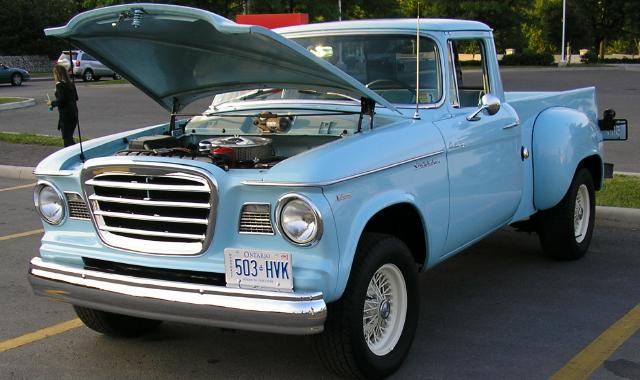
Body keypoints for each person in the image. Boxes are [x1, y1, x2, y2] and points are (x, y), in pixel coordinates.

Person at [47, 64, 79, 147]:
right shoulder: (71, 84)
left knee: (67, 138)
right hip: (74, 113)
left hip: (66, 115)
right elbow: (76, 98)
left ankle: (71, 154)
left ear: (57, 74)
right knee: (70, 136)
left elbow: (61, 99)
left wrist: (52, 103)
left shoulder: (59, 85)